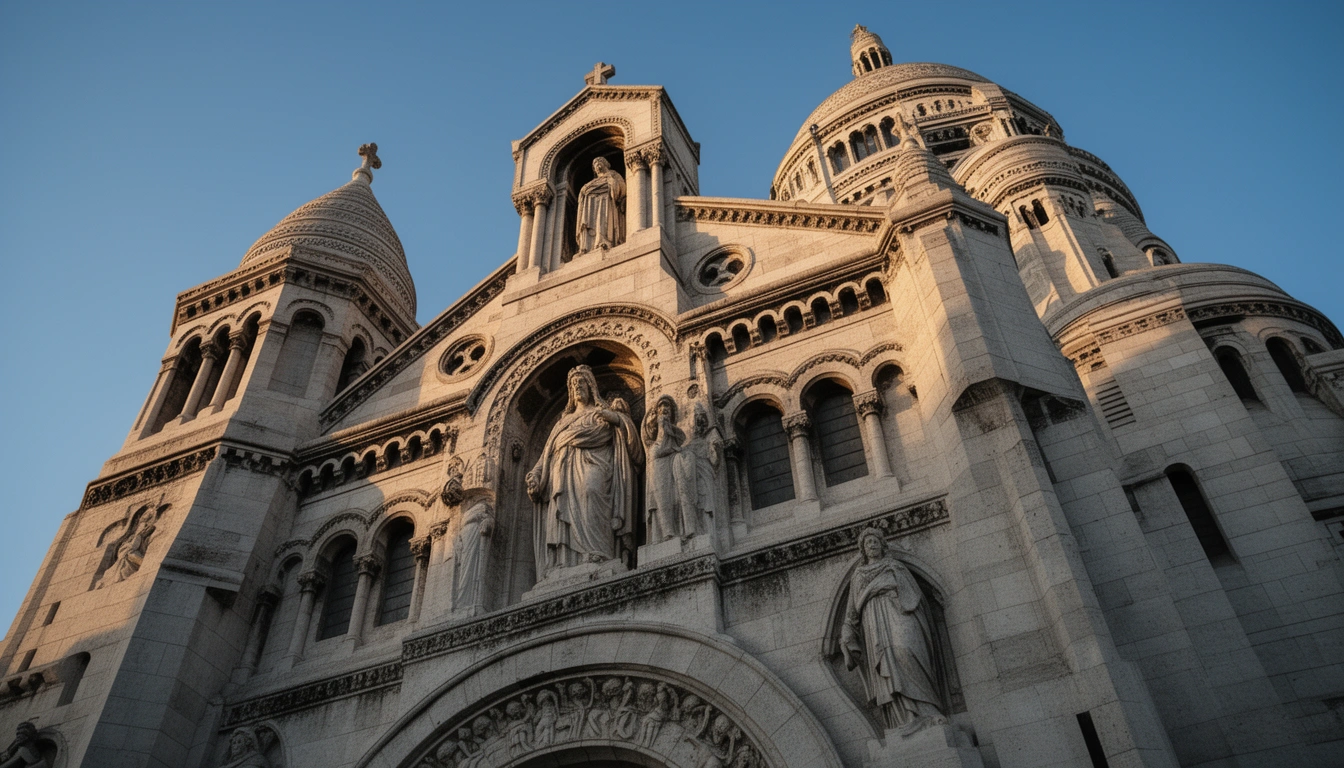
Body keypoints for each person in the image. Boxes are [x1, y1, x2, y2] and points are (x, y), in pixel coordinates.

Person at [526, 366, 642, 577]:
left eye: (582, 383)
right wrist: (535, 475)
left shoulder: (602, 413)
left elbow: (630, 440)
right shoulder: (563, 422)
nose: (577, 386)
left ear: (591, 387)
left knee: (590, 492)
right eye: (574, 384)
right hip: (562, 473)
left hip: (598, 465)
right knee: (563, 509)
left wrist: (615, 419)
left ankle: (602, 555)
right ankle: (564, 562)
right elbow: (547, 453)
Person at [840, 528, 945, 733]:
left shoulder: (895, 566)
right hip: (875, 624)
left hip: (900, 612)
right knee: (890, 660)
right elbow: (852, 612)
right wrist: (847, 634)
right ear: (863, 549)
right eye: (868, 542)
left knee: (905, 651)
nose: (872, 545)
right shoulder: (859, 575)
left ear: (882, 545)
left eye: (875, 541)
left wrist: (887, 586)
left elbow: (914, 596)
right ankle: (905, 719)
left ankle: (929, 710)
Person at [575, 157, 626, 254]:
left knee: (603, 220)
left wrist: (611, 182)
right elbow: (583, 192)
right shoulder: (592, 182)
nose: (597, 165)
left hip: (605, 200)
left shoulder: (613, 174)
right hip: (590, 203)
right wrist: (584, 190)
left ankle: (603, 241)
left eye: (599, 162)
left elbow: (622, 189)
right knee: (588, 222)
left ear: (605, 164)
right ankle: (586, 246)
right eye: (595, 165)